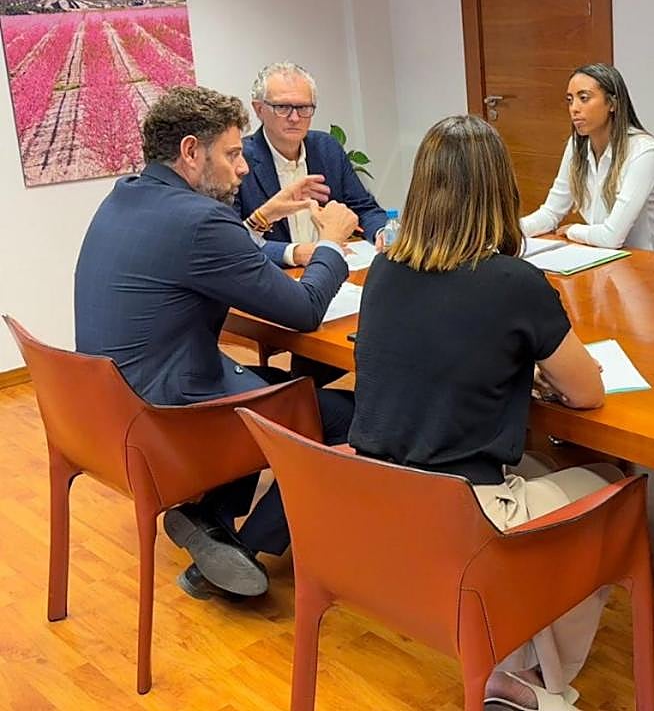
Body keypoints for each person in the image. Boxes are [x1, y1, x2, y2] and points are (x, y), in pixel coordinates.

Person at [350, 114, 620, 711]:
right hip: (462, 514)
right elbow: (587, 393)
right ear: (502, 192)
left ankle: (509, 664)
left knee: (542, 473)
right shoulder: (513, 283)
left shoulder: (384, 269)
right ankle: (540, 686)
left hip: (378, 499)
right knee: (608, 489)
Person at [74, 85, 361, 602]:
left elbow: (220, 253)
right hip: (170, 418)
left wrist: (260, 217)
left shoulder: (129, 194)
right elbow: (303, 309)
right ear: (190, 151)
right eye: (232, 154)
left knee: (281, 387)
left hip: (110, 411)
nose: (244, 167)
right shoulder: (199, 221)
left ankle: (210, 519)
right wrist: (333, 247)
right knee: (350, 417)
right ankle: (246, 546)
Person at [235, 61, 387, 267]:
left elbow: (364, 208)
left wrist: (382, 233)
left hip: (334, 271)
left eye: (304, 107)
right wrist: (294, 253)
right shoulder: (238, 160)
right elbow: (230, 242)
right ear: (259, 109)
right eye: (282, 107)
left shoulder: (327, 148)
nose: (295, 117)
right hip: (275, 278)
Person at [520, 63, 654, 251]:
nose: (574, 108)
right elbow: (550, 213)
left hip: (646, 264)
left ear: (612, 104)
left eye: (584, 98)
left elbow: (611, 237)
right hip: (599, 256)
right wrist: (509, 232)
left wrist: (573, 230)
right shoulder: (576, 147)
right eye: (570, 100)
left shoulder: (643, 151)